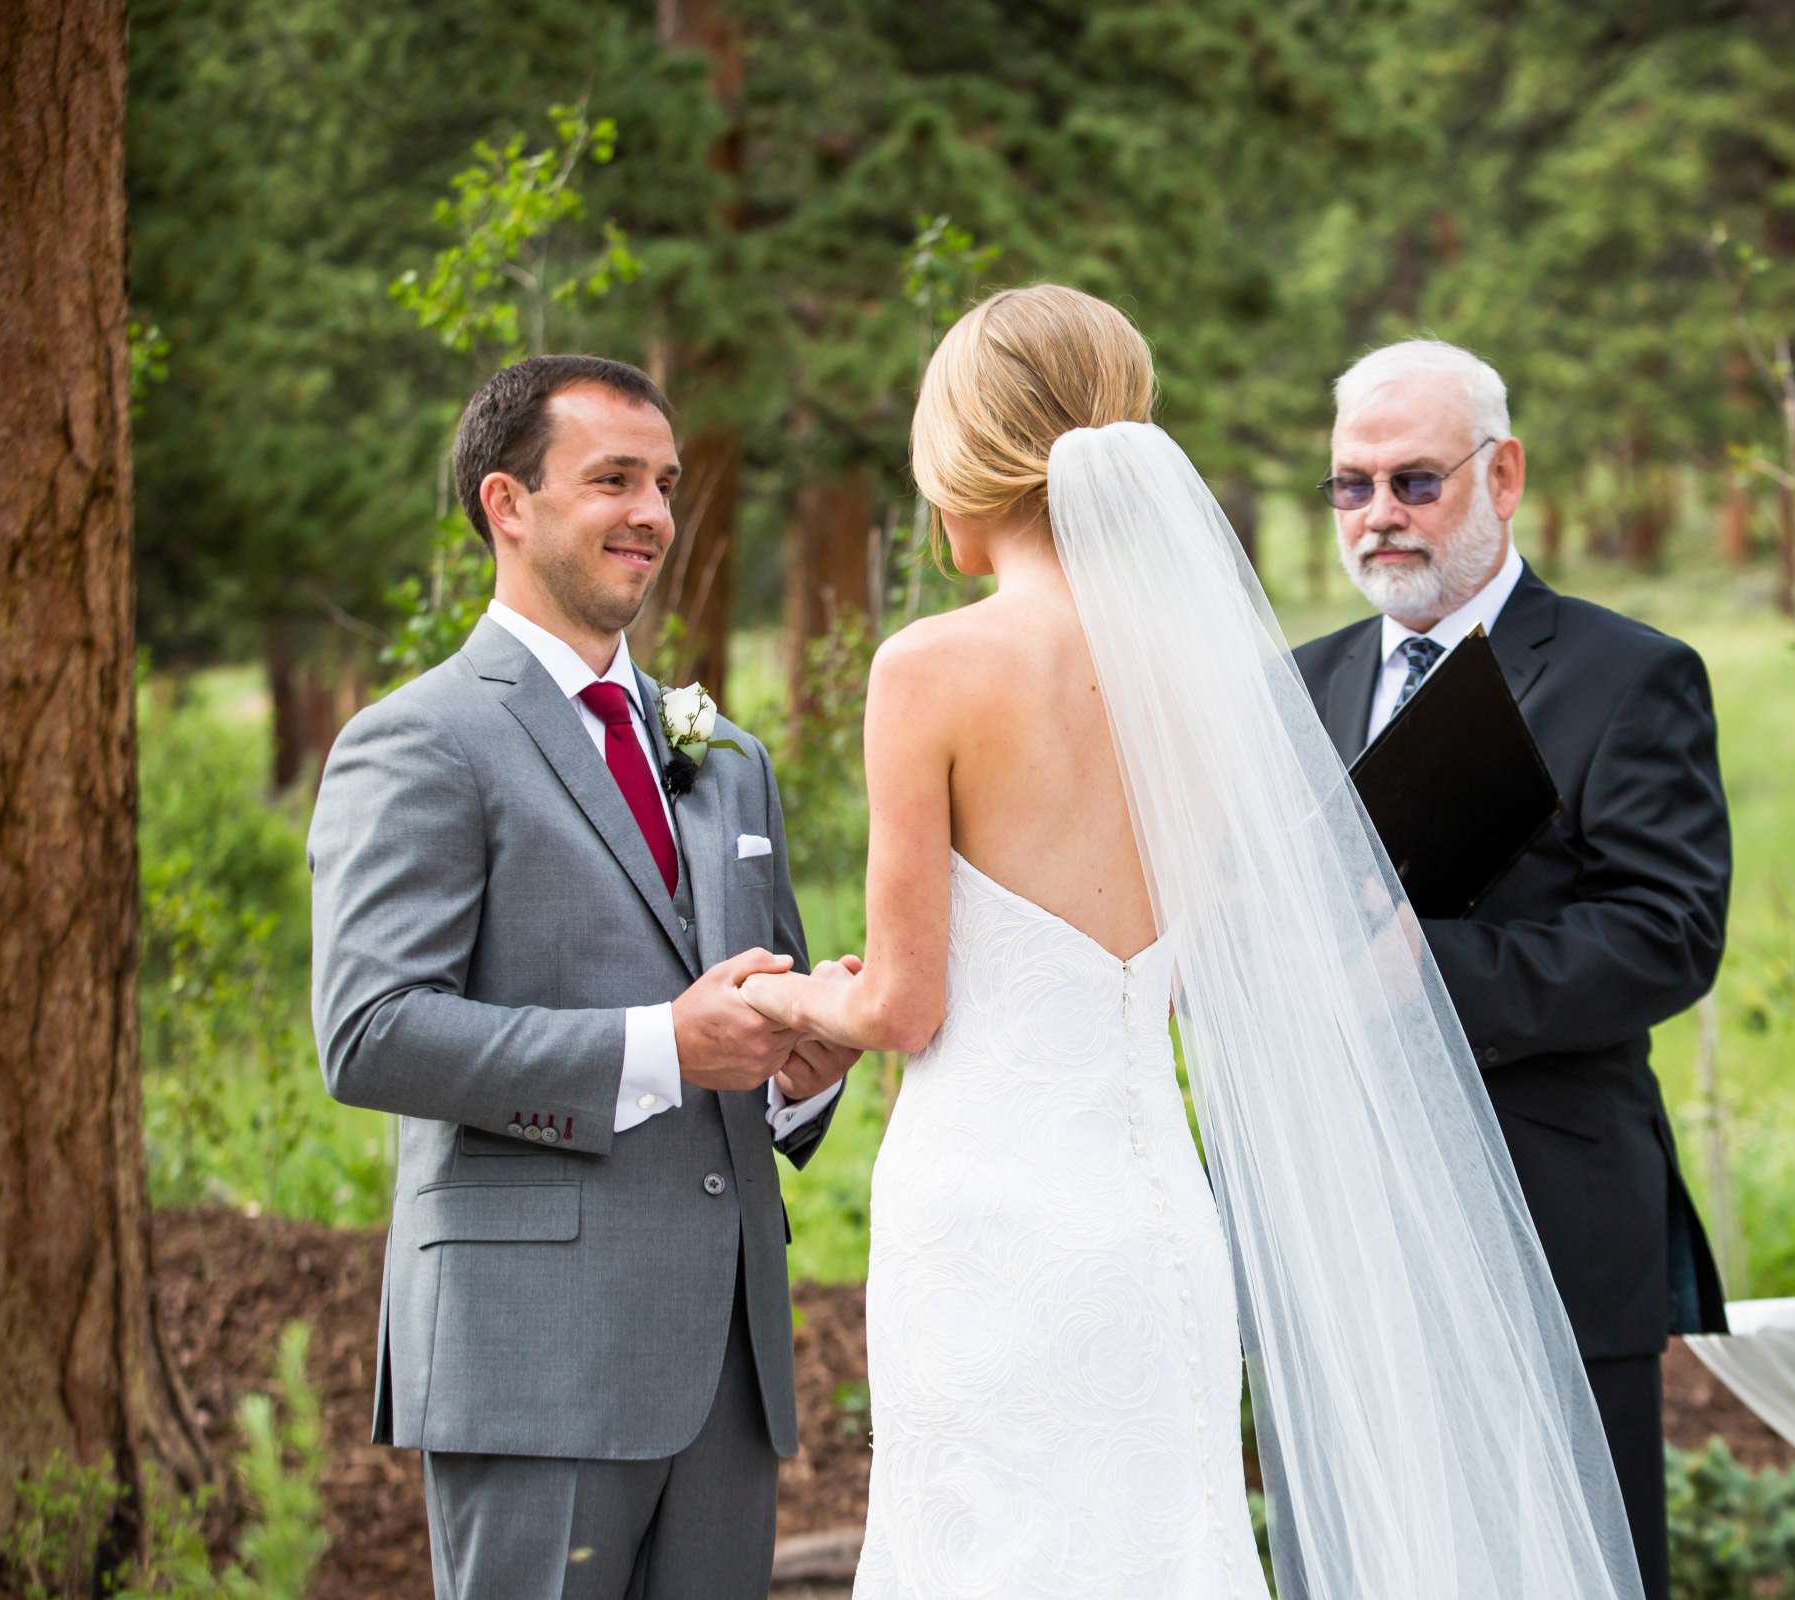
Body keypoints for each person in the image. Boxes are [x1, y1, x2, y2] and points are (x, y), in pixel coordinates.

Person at [739, 286, 1644, 1599]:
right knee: (1166, 1543)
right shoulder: (1202, 679)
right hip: (1155, 1208)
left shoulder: (931, 667)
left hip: (986, 1210)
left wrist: (790, 1000)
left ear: (963, 453)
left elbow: (904, 1004)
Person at [309, 355, 859, 1598]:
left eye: (663, 483)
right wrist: (659, 1045)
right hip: (533, 1357)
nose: (654, 512)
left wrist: (798, 1073)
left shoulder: (728, 758)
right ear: (508, 505)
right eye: (612, 479)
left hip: (728, 1363)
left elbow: (747, 1010)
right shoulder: (420, 739)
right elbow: (371, 1031)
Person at [1292, 339, 1734, 1600]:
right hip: (1349, 1234)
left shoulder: (1627, 675)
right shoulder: (1294, 689)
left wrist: (1433, 973)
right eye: (1351, 486)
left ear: (1505, 474)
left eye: (1415, 481)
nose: (1379, 515)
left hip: (1551, 1217)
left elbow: (1669, 931)